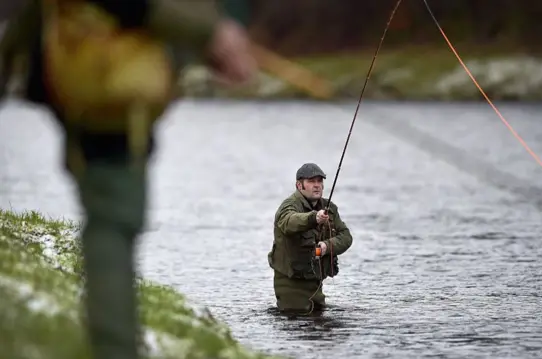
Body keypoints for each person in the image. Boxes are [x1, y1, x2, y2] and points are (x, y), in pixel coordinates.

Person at [0, 1, 256, 358]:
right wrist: (209, 33)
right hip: (105, 89)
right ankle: (115, 348)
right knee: (113, 221)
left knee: (112, 214)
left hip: (84, 74)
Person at [268, 163, 353, 315]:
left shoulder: (329, 208)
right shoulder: (288, 206)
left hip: (315, 283)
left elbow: (346, 237)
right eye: (311, 181)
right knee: (299, 324)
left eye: (320, 181)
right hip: (291, 284)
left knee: (321, 324)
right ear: (299, 185)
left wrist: (327, 246)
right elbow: (290, 222)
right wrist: (314, 217)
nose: (317, 186)